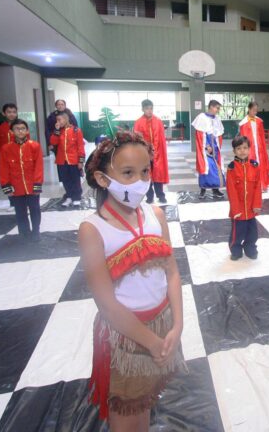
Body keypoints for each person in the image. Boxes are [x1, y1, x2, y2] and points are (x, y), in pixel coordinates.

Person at [79, 131, 186, 428]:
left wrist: (177, 325)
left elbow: (172, 273)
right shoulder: (93, 229)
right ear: (102, 179)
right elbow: (106, 304)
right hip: (125, 338)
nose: (140, 181)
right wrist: (151, 342)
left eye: (145, 171)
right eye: (127, 173)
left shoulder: (156, 215)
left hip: (163, 327)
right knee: (126, 414)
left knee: (146, 402)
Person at [0, 119, 43, 241]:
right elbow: (3, 168)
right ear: (11, 131)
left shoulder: (34, 146)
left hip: (32, 186)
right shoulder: (6, 149)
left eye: (23, 128)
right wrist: (6, 186)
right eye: (17, 129)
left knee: (35, 210)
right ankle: (24, 233)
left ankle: (36, 231)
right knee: (20, 212)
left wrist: (37, 184)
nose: (20, 131)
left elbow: (38, 166)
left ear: (27, 130)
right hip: (16, 187)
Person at [226, 135, 262, 260]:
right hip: (239, 210)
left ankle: (250, 248)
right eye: (239, 148)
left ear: (249, 149)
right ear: (234, 151)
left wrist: (257, 204)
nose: (242, 151)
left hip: (251, 208)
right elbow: (231, 191)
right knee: (237, 233)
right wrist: (235, 210)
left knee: (252, 233)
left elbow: (258, 187)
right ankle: (235, 250)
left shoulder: (255, 166)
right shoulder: (231, 168)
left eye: (245, 148)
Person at [133, 99, 169, 204]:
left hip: (158, 154)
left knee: (158, 174)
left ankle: (161, 195)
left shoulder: (158, 121)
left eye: (151, 108)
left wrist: (157, 152)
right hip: (145, 155)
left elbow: (161, 139)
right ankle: (150, 196)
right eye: (147, 108)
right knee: (146, 175)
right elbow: (137, 140)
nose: (149, 111)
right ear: (142, 109)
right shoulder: (138, 123)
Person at [50, 111, 85, 207]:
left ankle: (77, 197)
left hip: (73, 160)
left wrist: (80, 161)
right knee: (65, 180)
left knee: (75, 179)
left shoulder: (76, 130)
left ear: (66, 119)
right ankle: (69, 196)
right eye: (56, 120)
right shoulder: (58, 131)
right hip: (62, 160)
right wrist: (56, 131)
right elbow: (53, 142)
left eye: (59, 119)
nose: (58, 122)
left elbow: (80, 146)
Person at [191, 100, 225, 199]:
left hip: (215, 146)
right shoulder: (201, 117)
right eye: (217, 108)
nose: (218, 110)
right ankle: (203, 189)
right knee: (205, 167)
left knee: (215, 167)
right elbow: (199, 134)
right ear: (211, 107)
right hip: (205, 147)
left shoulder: (217, 119)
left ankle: (215, 189)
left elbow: (218, 133)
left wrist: (216, 145)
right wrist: (206, 145)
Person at [238, 101, 269, 191]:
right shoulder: (243, 123)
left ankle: (261, 184)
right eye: (253, 110)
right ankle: (251, 185)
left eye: (256, 110)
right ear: (249, 109)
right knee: (250, 164)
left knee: (260, 164)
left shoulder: (259, 121)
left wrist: (263, 147)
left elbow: (262, 136)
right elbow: (243, 138)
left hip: (259, 146)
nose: (255, 112)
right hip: (250, 147)